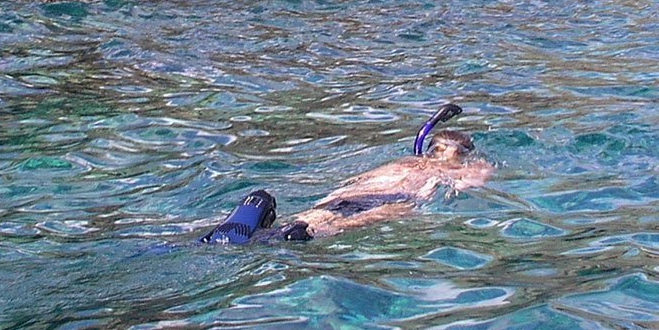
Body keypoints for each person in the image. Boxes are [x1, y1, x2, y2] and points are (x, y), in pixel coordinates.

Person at [200, 104, 494, 244]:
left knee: (317, 214)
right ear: (461, 154)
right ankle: (295, 236)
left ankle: (265, 227)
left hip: (345, 196)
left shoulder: (405, 162)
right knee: (342, 222)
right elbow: (472, 183)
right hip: (390, 201)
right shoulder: (459, 169)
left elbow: (353, 185)